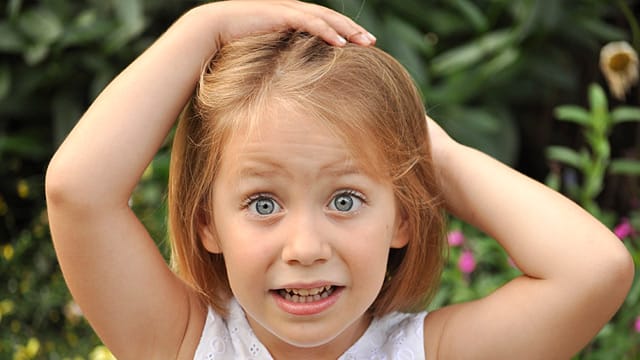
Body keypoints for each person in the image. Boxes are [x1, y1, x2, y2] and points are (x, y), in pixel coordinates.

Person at [45, 1, 634, 359]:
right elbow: (78, 193)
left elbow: (594, 270)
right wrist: (205, 28)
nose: (305, 249)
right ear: (207, 223)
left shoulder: (428, 354)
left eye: (346, 199)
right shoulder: (181, 345)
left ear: (402, 216)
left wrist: (436, 157)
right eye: (263, 203)